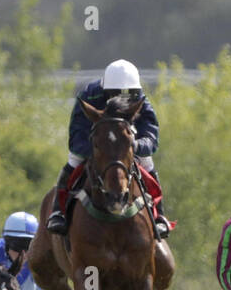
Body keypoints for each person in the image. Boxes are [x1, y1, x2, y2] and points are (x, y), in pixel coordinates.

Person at [45, 59, 171, 239]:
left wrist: (135, 145)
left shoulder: (141, 99)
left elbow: (151, 135)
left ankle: (160, 217)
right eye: (118, 93)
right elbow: (77, 136)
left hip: (126, 144)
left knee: (147, 163)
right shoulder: (89, 95)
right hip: (96, 144)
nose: (124, 97)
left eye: (129, 93)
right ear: (106, 91)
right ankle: (59, 212)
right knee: (74, 160)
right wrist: (100, 149)